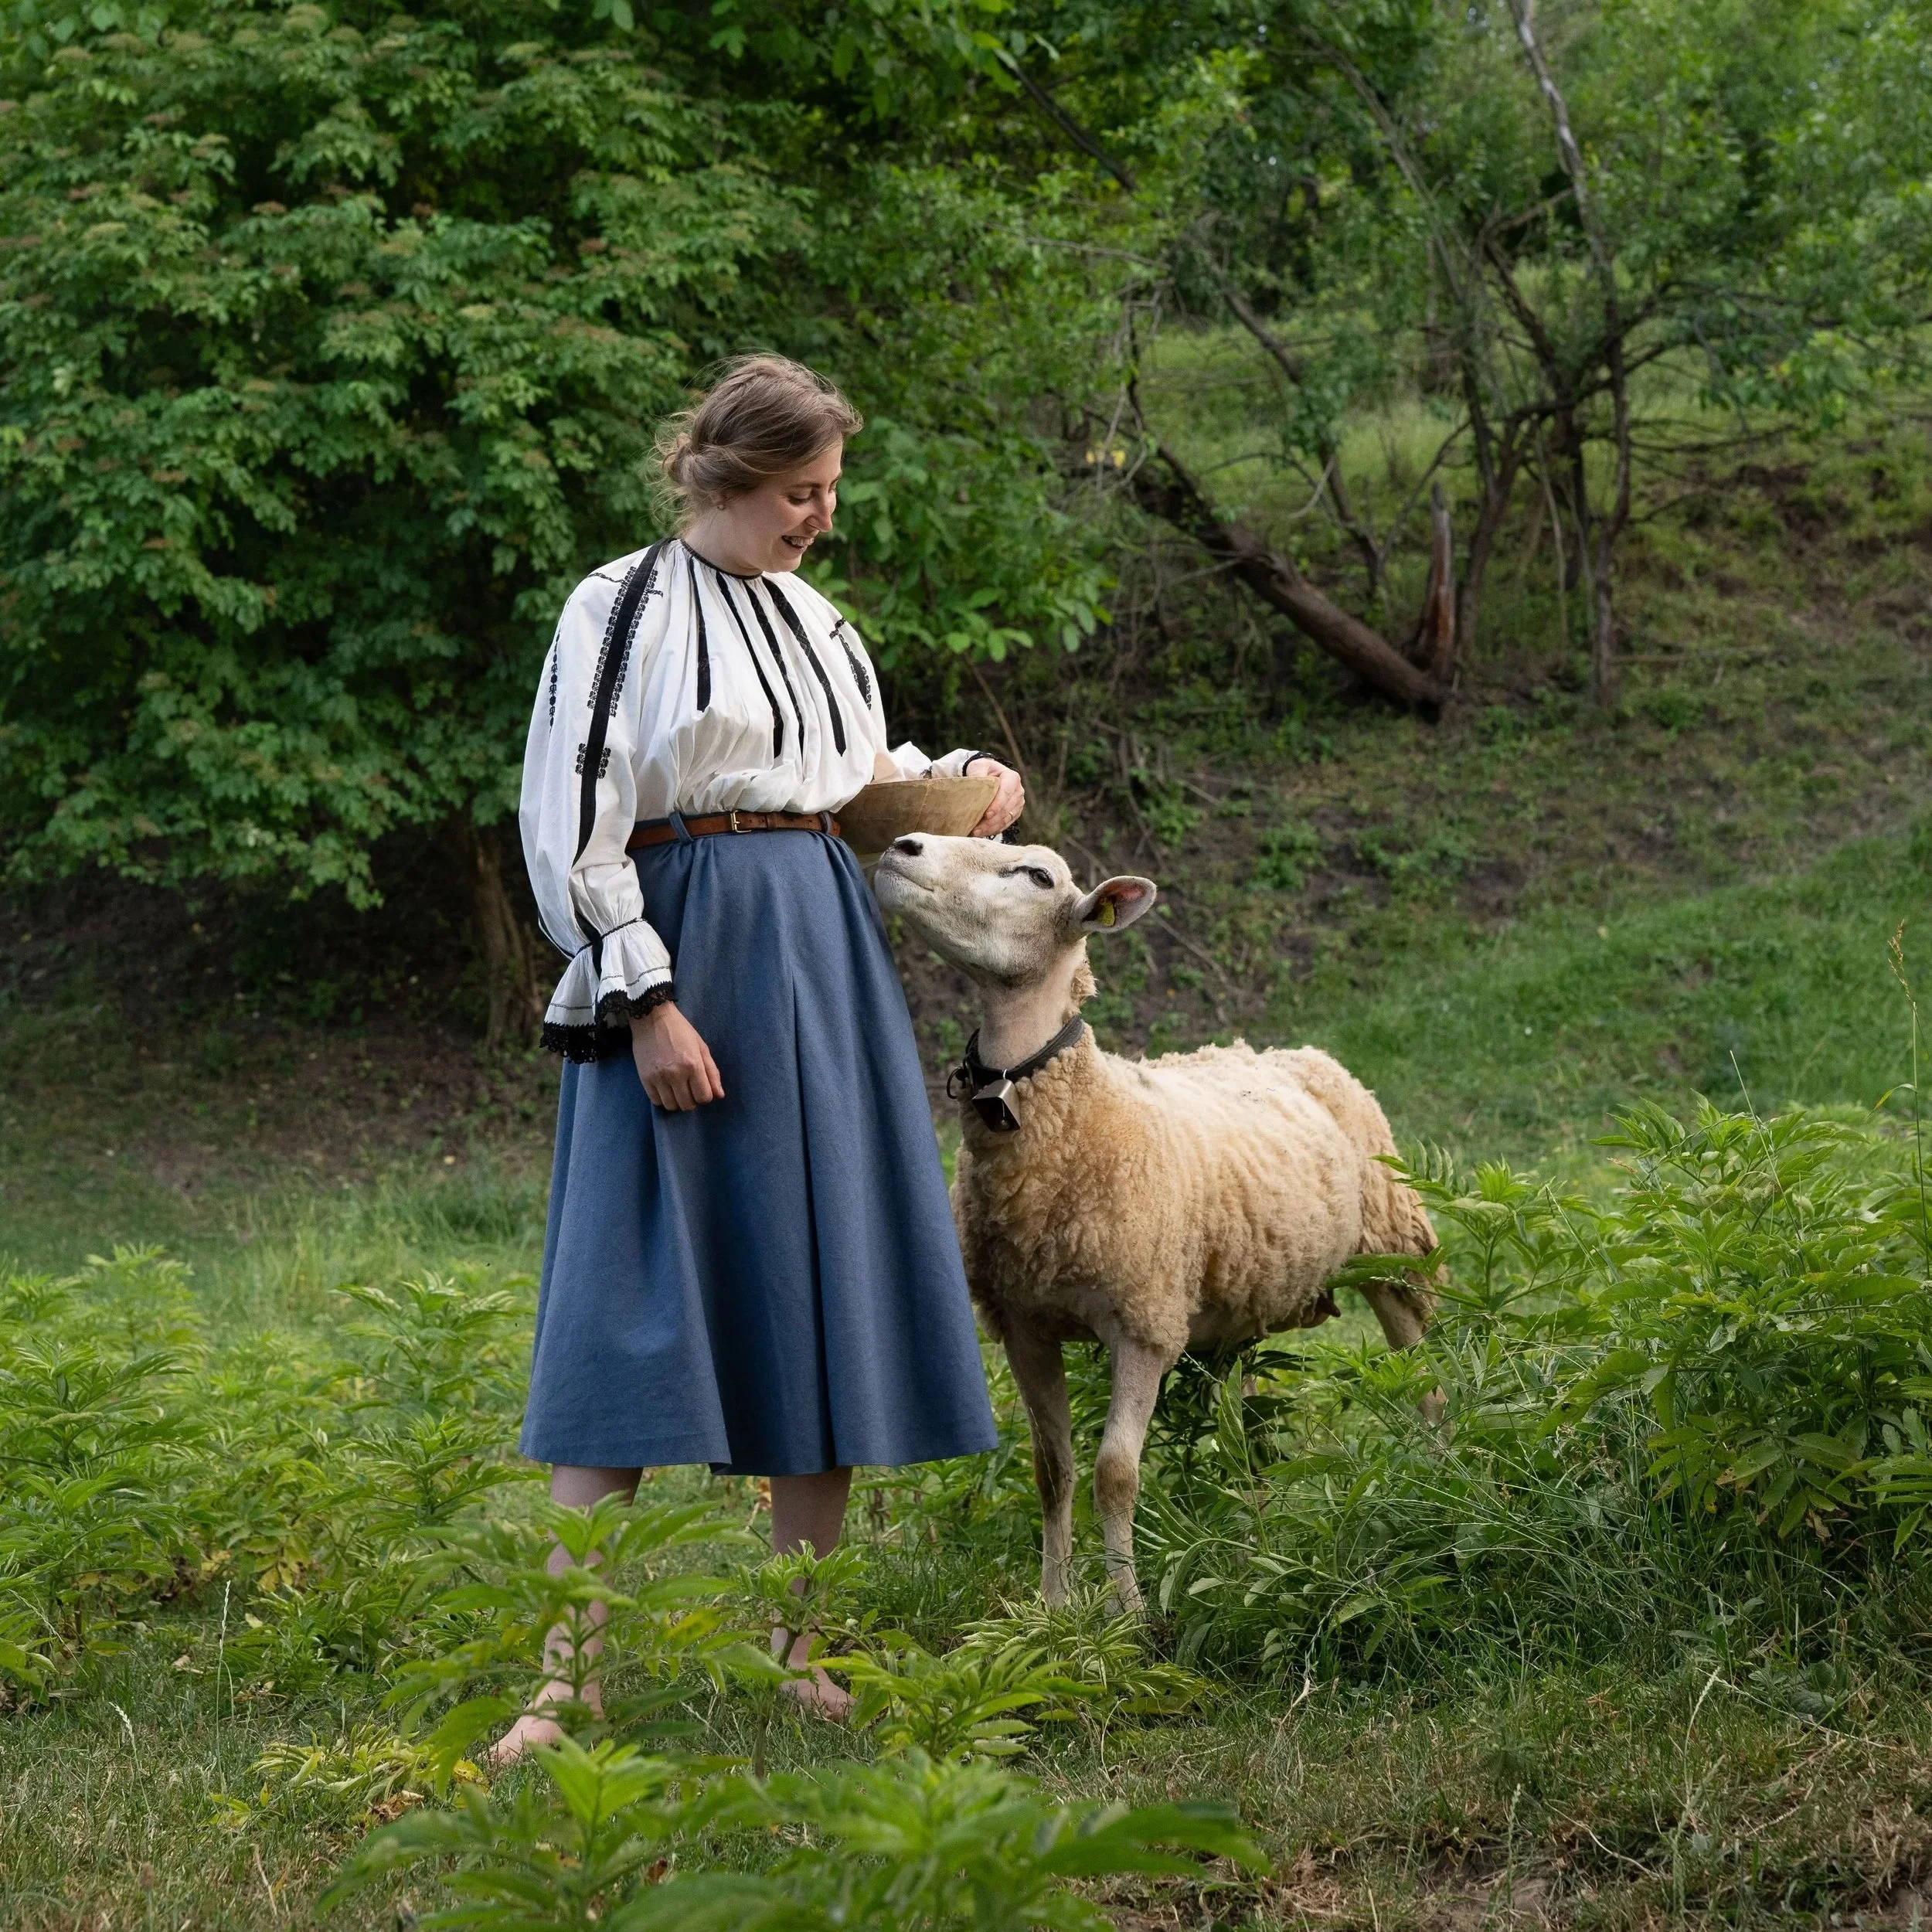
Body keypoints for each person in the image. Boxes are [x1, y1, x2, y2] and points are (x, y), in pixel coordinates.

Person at [493, 355, 1021, 1760]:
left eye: (830, 493)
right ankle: (570, 1678)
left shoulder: (820, 622)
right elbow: (572, 820)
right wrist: (643, 997)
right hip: (686, 950)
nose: (819, 519)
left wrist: (959, 783)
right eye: (801, 493)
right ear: (724, 479)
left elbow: (846, 781)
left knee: (820, 1280)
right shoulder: (619, 611)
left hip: (823, 964)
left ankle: (800, 1647)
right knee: (631, 1297)